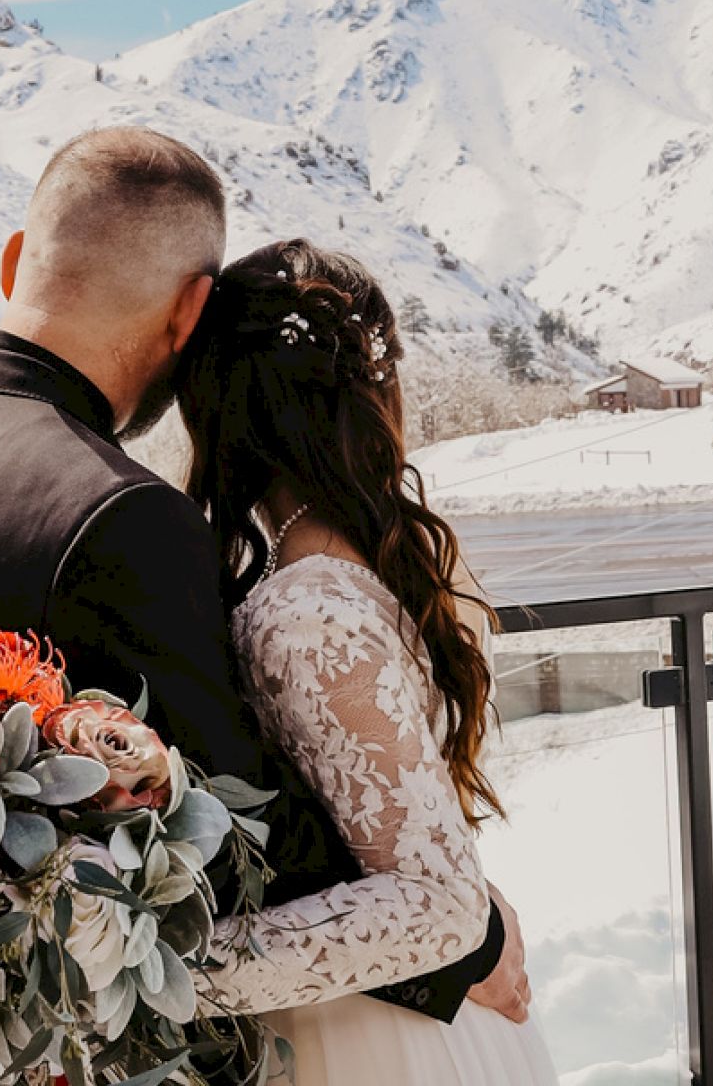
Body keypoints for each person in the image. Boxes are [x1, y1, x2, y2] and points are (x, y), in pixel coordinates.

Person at [0, 126, 520, 1030]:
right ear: (191, 310)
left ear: (14, 262)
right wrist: (464, 935)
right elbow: (242, 841)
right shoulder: (120, 513)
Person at [176, 237, 558, 1086]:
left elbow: (434, 902)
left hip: (373, 1037)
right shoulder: (370, 554)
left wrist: (167, 972)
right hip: (402, 1013)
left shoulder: (309, 609)